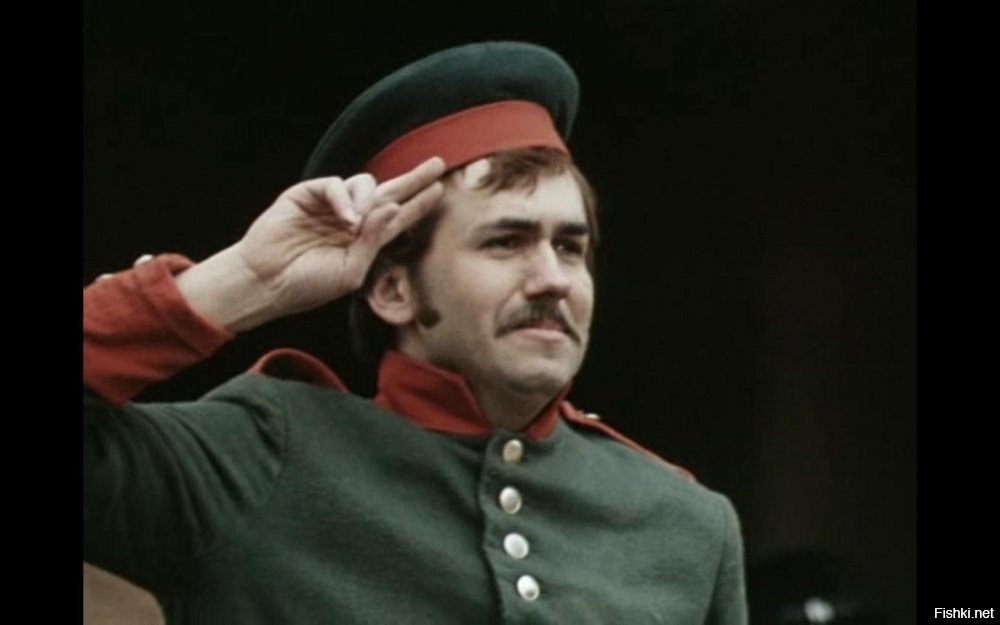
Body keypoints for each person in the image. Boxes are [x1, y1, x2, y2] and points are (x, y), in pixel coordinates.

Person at [84, 41, 748, 624]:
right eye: (506, 241)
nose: (553, 279)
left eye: (571, 247)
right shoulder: (256, 459)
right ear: (393, 289)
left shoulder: (687, 525)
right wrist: (245, 279)